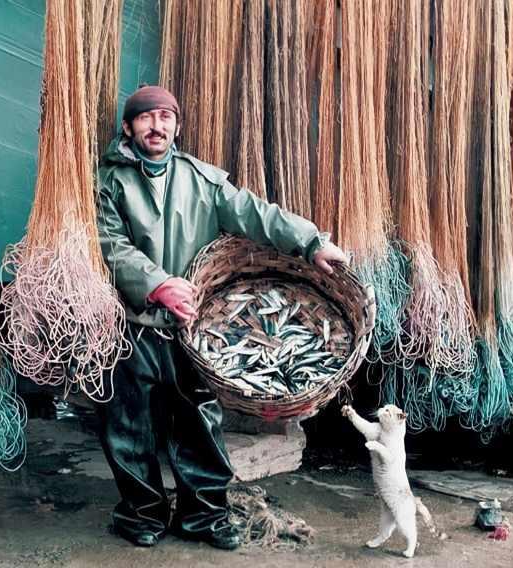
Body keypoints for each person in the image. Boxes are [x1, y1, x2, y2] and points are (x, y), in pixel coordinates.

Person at [95, 85, 347, 550]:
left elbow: (256, 214)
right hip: (132, 326)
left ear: (176, 125)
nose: (157, 125)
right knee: (129, 429)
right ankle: (141, 515)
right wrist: (157, 284)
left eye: (166, 117)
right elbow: (109, 245)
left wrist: (312, 242)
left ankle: (205, 518)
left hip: (193, 330)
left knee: (200, 426)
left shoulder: (202, 181)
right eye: (146, 117)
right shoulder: (107, 182)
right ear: (129, 127)